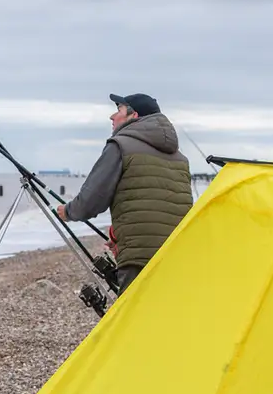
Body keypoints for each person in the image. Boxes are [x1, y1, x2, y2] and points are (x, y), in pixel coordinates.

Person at [56, 93, 193, 294]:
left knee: (136, 321)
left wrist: (68, 212)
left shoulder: (120, 146)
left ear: (133, 116)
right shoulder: (180, 159)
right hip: (178, 254)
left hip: (138, 258)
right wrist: (117, 234)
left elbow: (92, 199)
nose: (112, 117)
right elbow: (160, 205)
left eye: (118, 110)